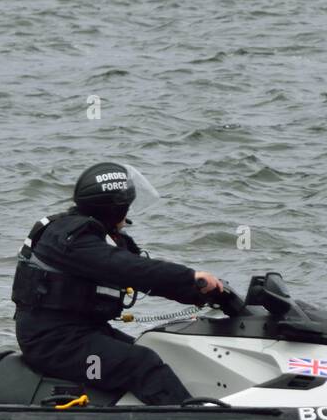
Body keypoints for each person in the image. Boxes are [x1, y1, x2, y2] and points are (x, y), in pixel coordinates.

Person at [11, 162, 223, 405]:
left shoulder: (94, 234)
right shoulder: (72, 240)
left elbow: (144, 272)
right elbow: (130, 269)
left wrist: (200, 293)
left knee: (160, 348)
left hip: (78, 331)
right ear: (114, 209)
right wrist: (190, 277)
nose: (128, 214)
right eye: (127, 207)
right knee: (141, 363)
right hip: (53, 341)